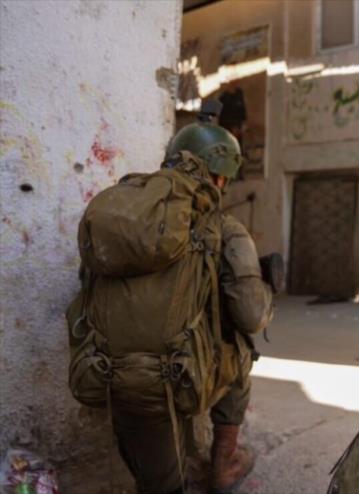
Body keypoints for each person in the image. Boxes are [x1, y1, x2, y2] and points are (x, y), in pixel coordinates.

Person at [69, 107, 273, 494]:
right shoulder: (225, 227)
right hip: (183, 377)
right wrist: (267, 293)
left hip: (103, 372)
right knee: (243, 348)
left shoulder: (122, 216)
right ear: (220, 174)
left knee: (158, 478)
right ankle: (224, 463)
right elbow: (250, 315)